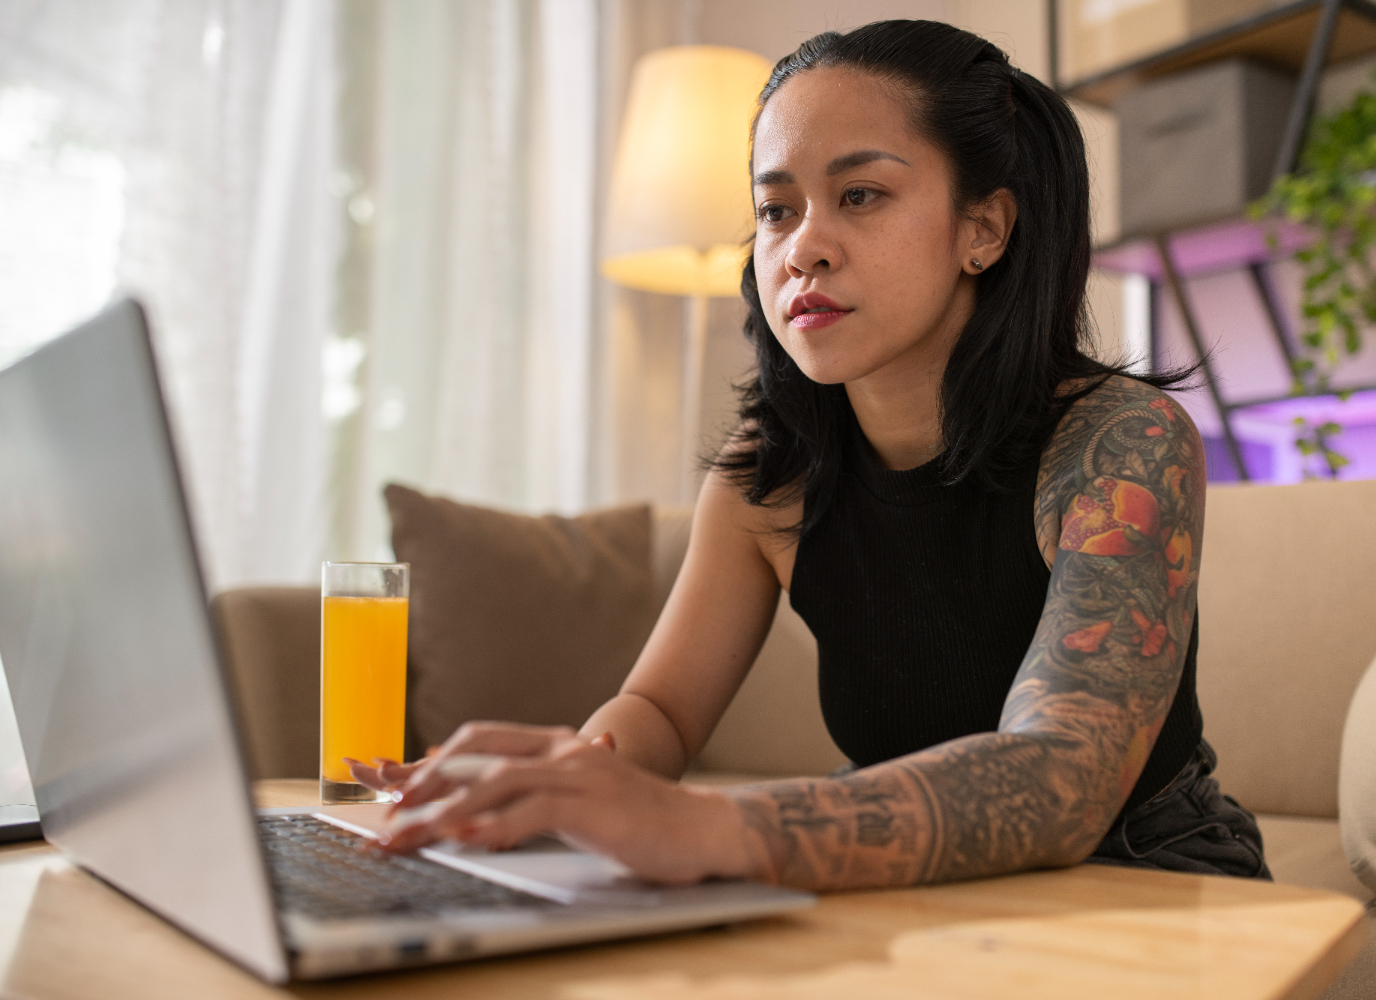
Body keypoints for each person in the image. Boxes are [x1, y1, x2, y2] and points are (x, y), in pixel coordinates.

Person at [349, 19, 1269, 889]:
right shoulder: (764, 479)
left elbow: (1062, 782)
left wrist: (709, 828)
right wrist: (565, 785)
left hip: (1140, 871)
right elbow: (662, 714)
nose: (801, 250)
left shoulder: (1122, 443)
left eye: (860, 195)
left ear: (982, 228)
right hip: (906, 877)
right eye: (776, 210)